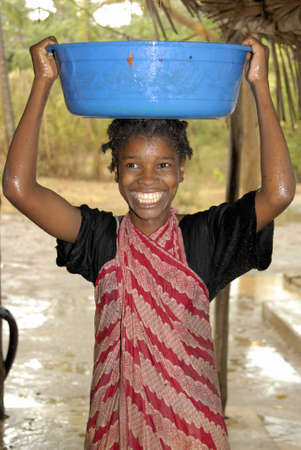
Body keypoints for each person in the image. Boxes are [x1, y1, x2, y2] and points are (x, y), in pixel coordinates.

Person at [2, 35, 295, 450]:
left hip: (194, 434)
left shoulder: (204, 239)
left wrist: (259, 85)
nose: (147, 180)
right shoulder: (101, 240)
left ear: (181, 173)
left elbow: (279, 194)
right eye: (131, 165)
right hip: (115, 434)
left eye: (163, 165)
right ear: (115, 172)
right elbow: (19, 189)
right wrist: (44, 82)